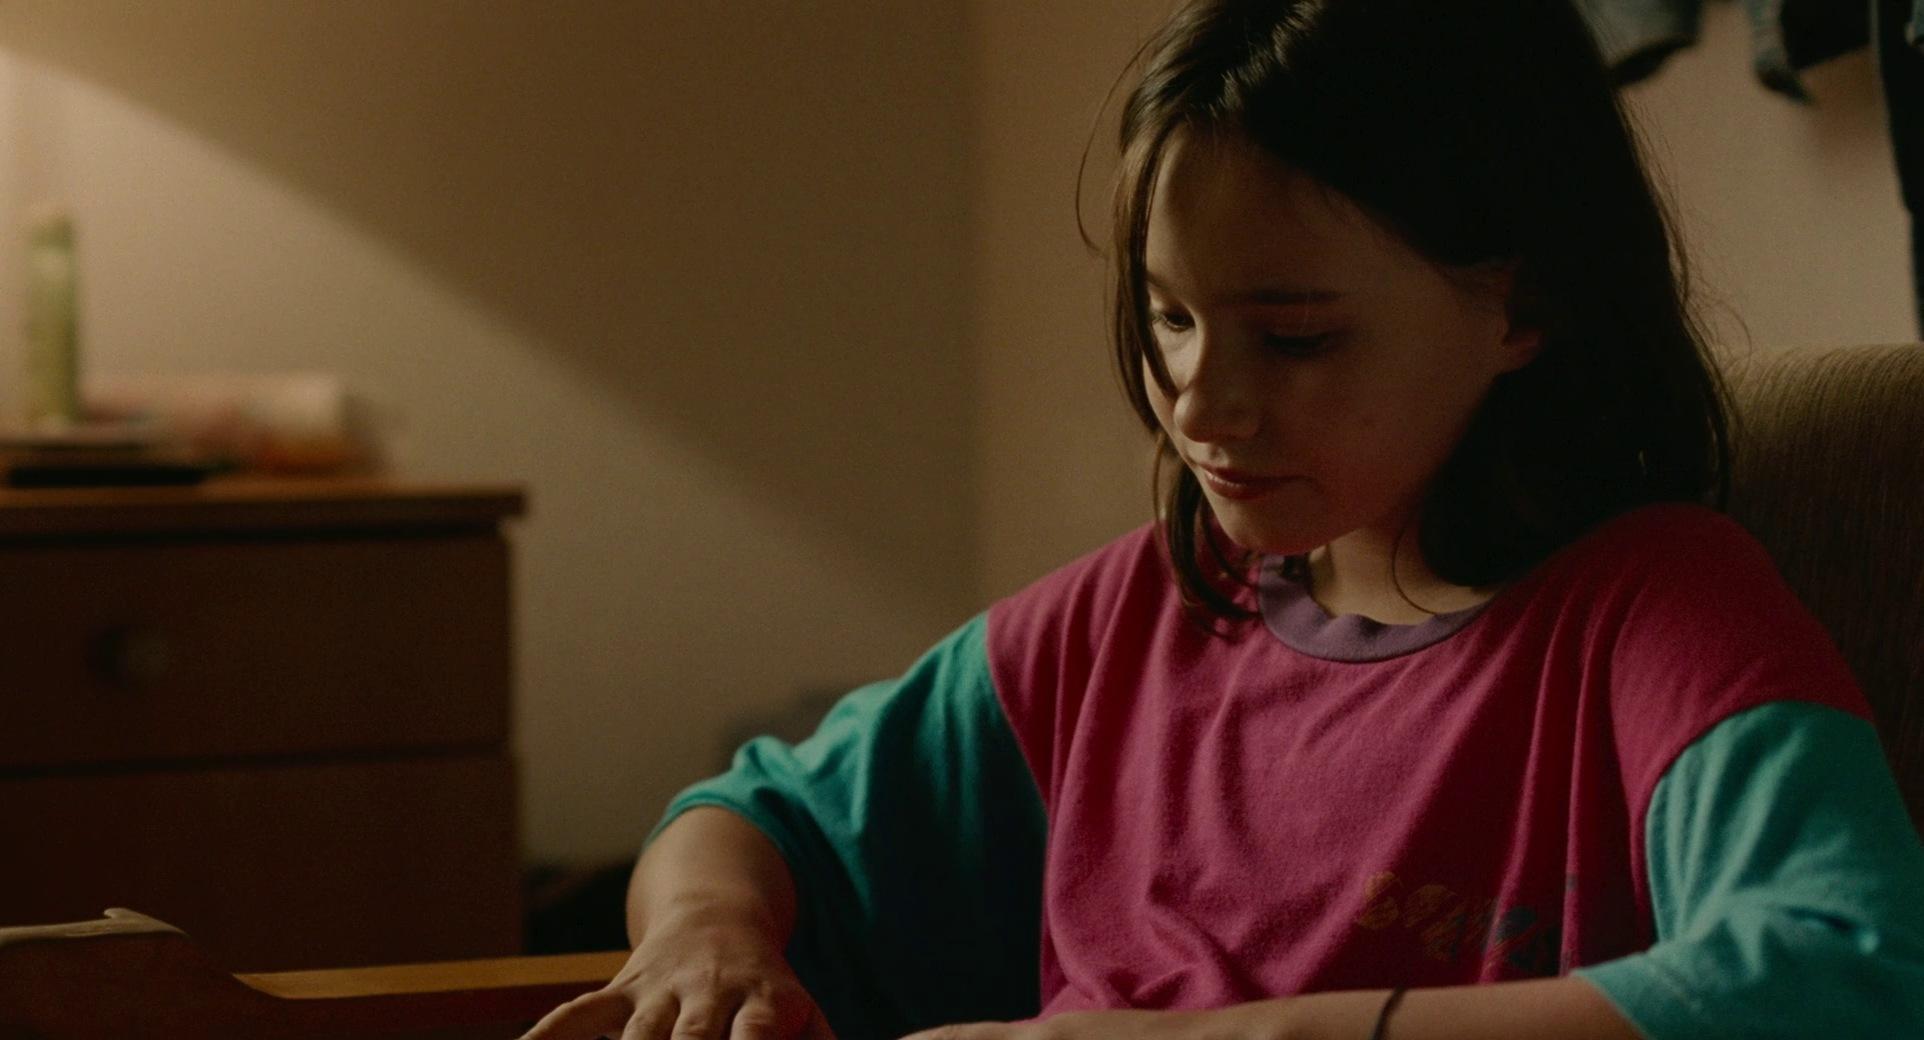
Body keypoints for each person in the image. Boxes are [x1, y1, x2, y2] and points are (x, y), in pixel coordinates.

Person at [522, 2, 1924, 1038]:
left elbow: (1852, 972)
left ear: (1523, 305)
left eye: (1295, 337)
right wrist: (706, 932)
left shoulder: (1653, 611)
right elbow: (754, 816)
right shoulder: (1131, 617)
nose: (1199, 402)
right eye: (1170, 318)